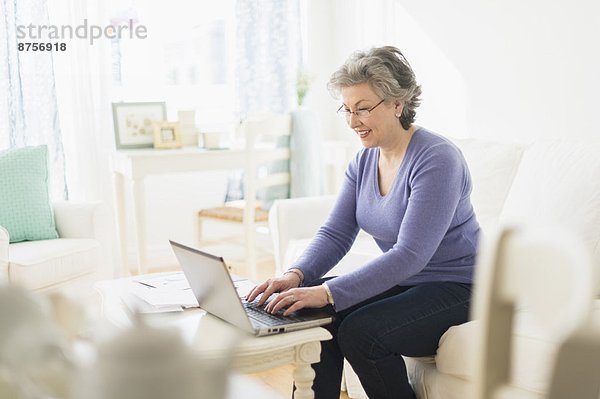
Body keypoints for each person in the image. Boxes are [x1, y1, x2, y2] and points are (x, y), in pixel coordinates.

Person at [247, 46, 480, 399]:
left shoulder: (437, 159)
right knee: (316, 314)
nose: (353, 121)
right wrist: (295, 276)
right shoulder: (364, 160)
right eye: (347, 109)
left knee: (361, 332)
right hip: (410, 284)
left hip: (460, 288)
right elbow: (336, 232)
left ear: (397, 104)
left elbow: (409, 255)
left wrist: (326, 290)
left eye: (363, 109)